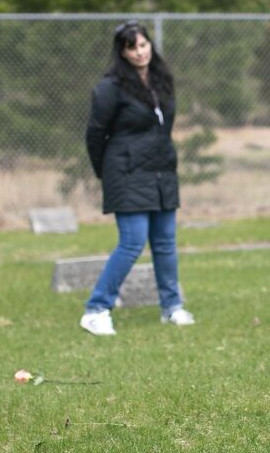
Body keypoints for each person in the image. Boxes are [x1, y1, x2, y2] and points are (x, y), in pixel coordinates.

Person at [80, 20, 195, 335]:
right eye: (132, 47)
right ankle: (96, 309)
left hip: (161, 171)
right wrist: (107, 173)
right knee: (132, 242)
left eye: (143, 45)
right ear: (122, 51)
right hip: (126, 172)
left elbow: (163, 128)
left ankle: (172, 307)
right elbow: (95, 135)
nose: (140, 52)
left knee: (165, 242)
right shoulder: (110, 88)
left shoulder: (161, 80)